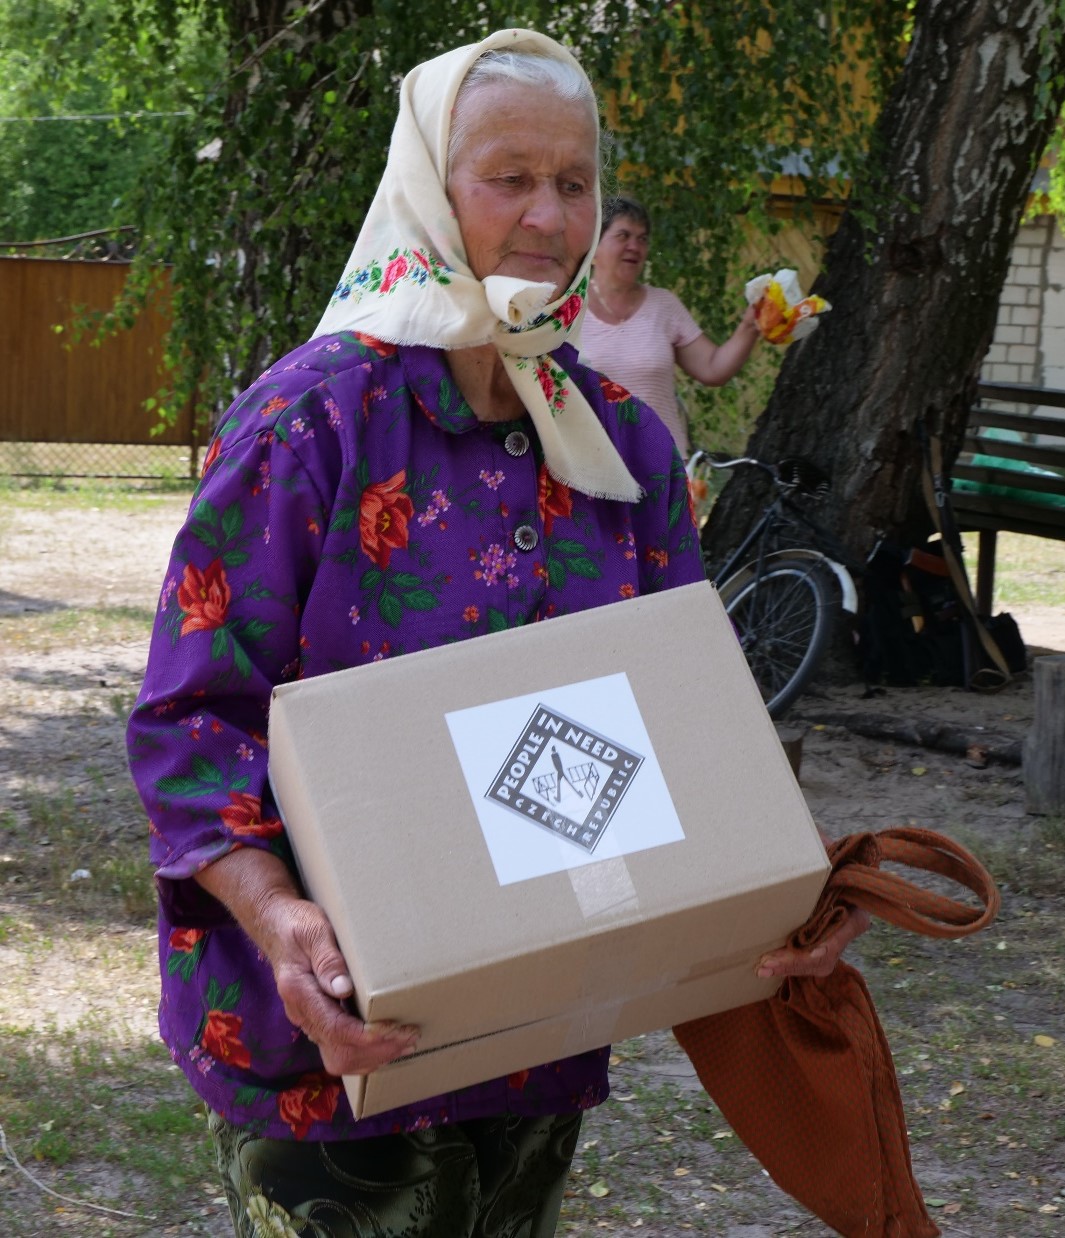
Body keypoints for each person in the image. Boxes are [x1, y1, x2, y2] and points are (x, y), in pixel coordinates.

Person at [128, 28, 865, 1238]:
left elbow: (684, 719)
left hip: (539, 1024)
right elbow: (188, 721)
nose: (546, 215)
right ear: (427, 185)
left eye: (571, 182)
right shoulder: (310, 424)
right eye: (506, 176)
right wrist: (277, 916)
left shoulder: (621, 446)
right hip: (325, 1032)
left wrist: (774, 892)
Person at [579, 195, 760, 460]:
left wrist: (750, 324)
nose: (635, 246)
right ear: (593, 246)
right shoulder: (567, 309)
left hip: (662, 469)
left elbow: (712, 368)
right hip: (590, 467)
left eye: (642, 239)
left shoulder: (664, 304)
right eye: (623, 236)